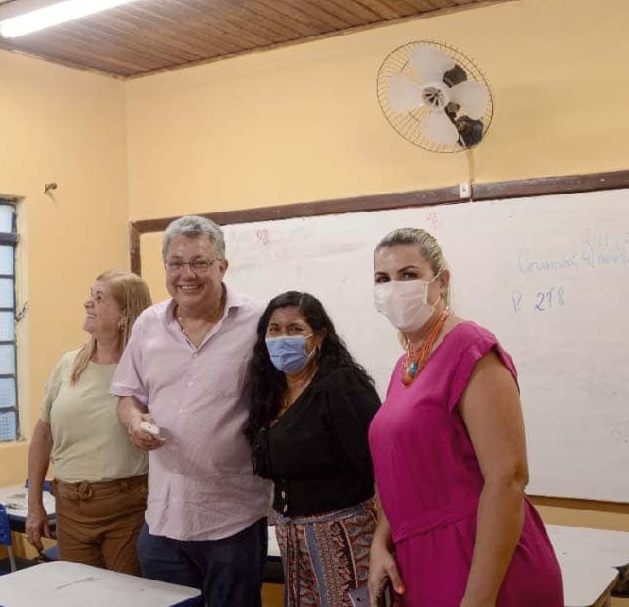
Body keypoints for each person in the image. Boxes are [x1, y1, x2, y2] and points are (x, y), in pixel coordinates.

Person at [366, 228, 562, 606]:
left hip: (482, 564)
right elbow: (408, 473)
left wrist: (478, 599)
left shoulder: (471, 349)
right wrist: (380, 541)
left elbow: (508, 478)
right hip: (421, 560)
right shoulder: (406, 365)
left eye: (408, 275)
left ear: (441, 282)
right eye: (382, 279)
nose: (394, 287)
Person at [111, 215, 270, 606]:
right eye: (176, 264)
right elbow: (127, 394)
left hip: (233, 520)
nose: (187, 274)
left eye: (200, 262)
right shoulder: (149, 324)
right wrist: (133, 419)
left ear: (222, 266)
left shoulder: (259, 321)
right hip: (164, 517)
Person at [244, 291, 382, 606]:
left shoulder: (341, 385)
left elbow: (380, 463)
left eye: (294, 329)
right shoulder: (271, 390)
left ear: (319, 336)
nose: (282, 338)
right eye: (274, 329)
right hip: (290, 538)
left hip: (343, 536)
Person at [25, 270, 152, 573]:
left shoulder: (146, 367)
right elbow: (43, 436)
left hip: (127, 509)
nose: (87, 304)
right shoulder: (69, 364)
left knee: (126, 596)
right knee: (81, 595)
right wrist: (34, 506)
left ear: (125, 315)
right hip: (70, 507)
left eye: (99, 298)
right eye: (90, 295)